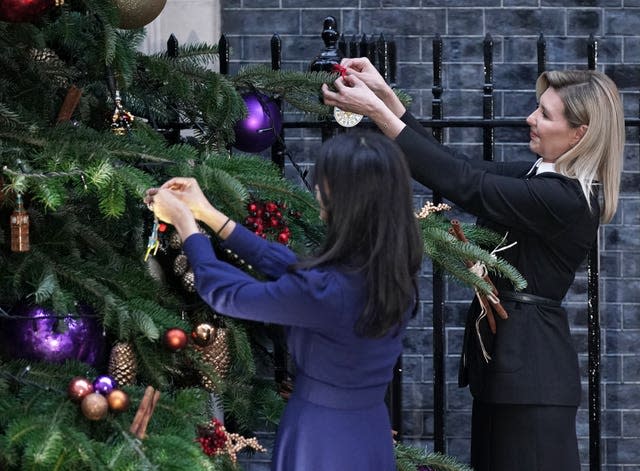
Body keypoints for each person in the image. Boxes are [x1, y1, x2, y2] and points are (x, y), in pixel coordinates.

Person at [322, 59, 624, 471]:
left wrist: (376, 113)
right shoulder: (539, 176)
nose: (530, 118)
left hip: (532, 381)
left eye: (545, 114)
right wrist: (388, 100)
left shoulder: (567, 199)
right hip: (510, 374)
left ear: (580, 133)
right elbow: (451, 166)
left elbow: (466, 185)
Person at [144, 130, 424, 471]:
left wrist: (186, 225)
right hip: (367, 427)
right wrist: (207, 213)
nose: (318, 188)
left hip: (321, 434)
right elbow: (285, 264)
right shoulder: (388, 267)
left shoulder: (326, 292)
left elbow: (225, 293)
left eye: (323, 181)